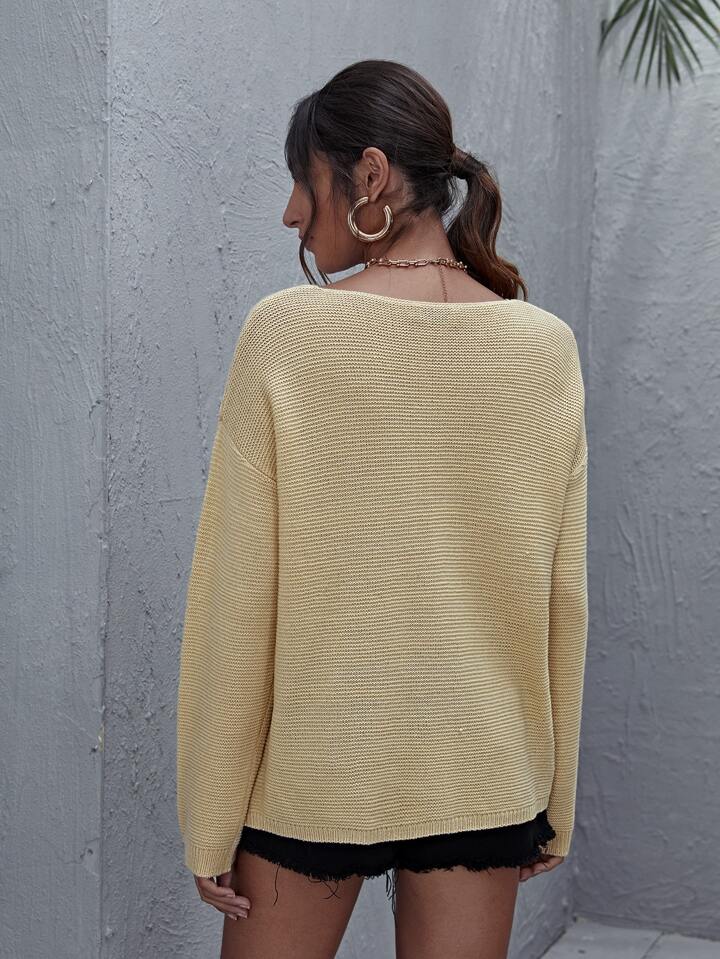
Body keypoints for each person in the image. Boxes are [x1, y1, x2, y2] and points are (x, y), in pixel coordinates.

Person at [176, 59, 588, 959]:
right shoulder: (545, 348)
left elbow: (238, 597)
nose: (291, 212)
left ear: (368, 175)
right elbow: (561, 597)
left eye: (302, 179)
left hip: (316, 772)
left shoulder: (287, 332)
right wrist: (553, 797)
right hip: (485, 771)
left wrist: (210, 815)